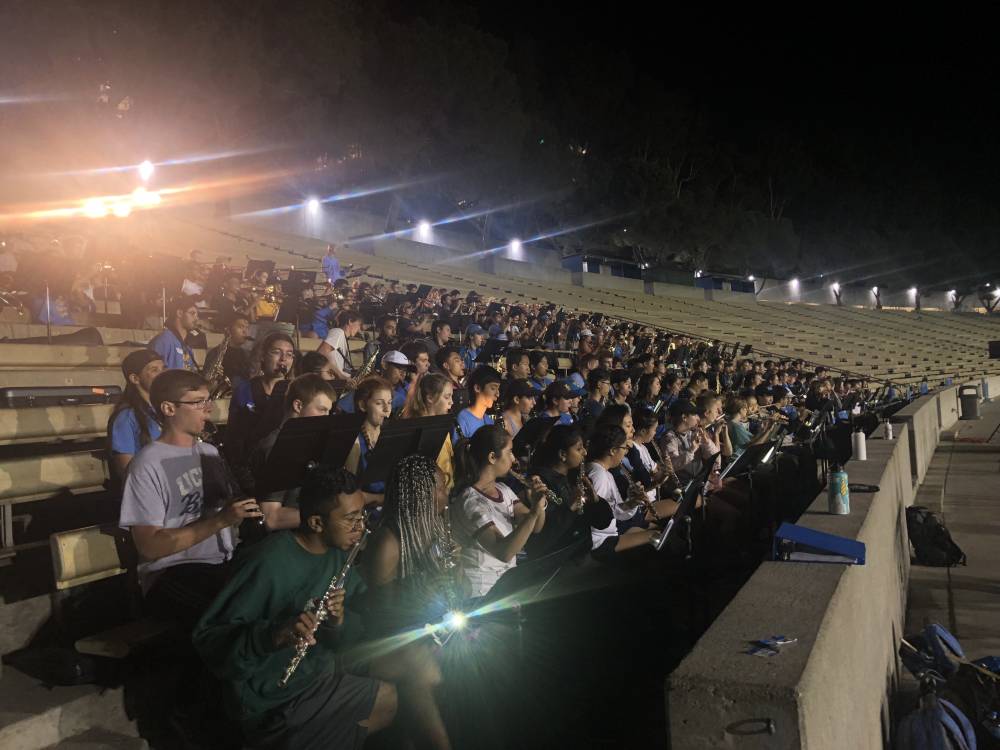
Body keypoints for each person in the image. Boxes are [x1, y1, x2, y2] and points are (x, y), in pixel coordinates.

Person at [193, 466, 450, 750]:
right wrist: (274, 635)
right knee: (390, 699)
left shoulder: (338, 554)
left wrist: (337, 623)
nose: (361, 527)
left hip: (319, 666)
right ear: (316, 523)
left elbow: (359, 619)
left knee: (424, 667)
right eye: (351, 520)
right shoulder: (268, 563)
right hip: (273, 694)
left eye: (361, 516)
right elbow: (209, 640)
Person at [119, 370, 263, 628]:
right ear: (168, 408)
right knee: (234, 616)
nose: (208, 410)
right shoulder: (147, 464)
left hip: (221, 563)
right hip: (171, 573)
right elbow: (150, 547)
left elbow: (231, 509)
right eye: (198, 402)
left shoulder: (209, 452)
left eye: (208, 401)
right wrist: (221, 520)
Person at [450, 424, 547, 599]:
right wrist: (534, 512)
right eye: (510, 452)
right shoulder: (470, 502)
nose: (514, 459)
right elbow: (504, 552)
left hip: (505, 585)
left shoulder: (503, 490)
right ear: (492, 457)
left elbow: (536, 527)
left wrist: (537, 504)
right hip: (482, 592)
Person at [251, 374, 337, 530]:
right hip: (283, 541)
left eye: (329, 412)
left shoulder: (308, 441)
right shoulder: (276, 446)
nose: (327, 418)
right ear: (298, 406)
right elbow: (271, 517)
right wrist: (331, 515)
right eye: (321, 410)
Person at [584, 426, 659, 553]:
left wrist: (633, 502)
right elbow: (600, 519)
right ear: (613, 450)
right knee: (657, 539)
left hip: (611, 532)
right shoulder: (598, 474)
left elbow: (615, 511)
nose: (625, 452)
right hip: (601, 541)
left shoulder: (605, 472)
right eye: (624, 448)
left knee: (659, 533)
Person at [225, 332, 295, 465]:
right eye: (276, 352)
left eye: (289, 354)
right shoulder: (244, 389)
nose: (283, 359)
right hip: (250, 461)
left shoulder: (296, 390)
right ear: (263, 356)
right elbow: (234, 436)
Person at [108, 349, 165, 478]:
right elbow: (127, 472)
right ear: (135, 378)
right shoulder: (125, 417)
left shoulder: (165, 408)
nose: (162, 374)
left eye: (163, 368)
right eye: (154, 370)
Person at [345, 377, 393, 507]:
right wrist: (386, 499)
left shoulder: (391, 435)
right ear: (362, 405)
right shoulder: (355, 442)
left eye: (389, 403)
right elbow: (350, 495)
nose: (387, 409)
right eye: (379, 403)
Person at [338, 351, 412, 414]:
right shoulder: (365, 386)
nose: (403, 374)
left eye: (405, 370)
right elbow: (340, 410)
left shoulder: (408, 388)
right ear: (385, 365)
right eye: (399, 368)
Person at [148, 295, 201, 372]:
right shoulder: (164, 340)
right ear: (179, 313)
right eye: (192, 313)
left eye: (197, 315)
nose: (197, 318)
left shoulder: (187, 347)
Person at [203, 313, 253, 391]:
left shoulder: (247, 355)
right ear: (228, 330)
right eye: (241, 327)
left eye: (247, 328)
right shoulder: (216, 353)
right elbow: (206, 381)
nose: (245, 331)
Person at [454, 365, 501, 441]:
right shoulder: (463, 419)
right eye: (493, 388)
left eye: (498, 389)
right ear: (477, 388)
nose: (497, 394)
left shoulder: (489, 421)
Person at [317, 310, 362, 382]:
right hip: (337, 382)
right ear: (350, 321)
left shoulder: (341, 335)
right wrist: (341, 376)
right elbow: (322, 352)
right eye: (359, 324)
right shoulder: (338, 332)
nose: (359, 329)